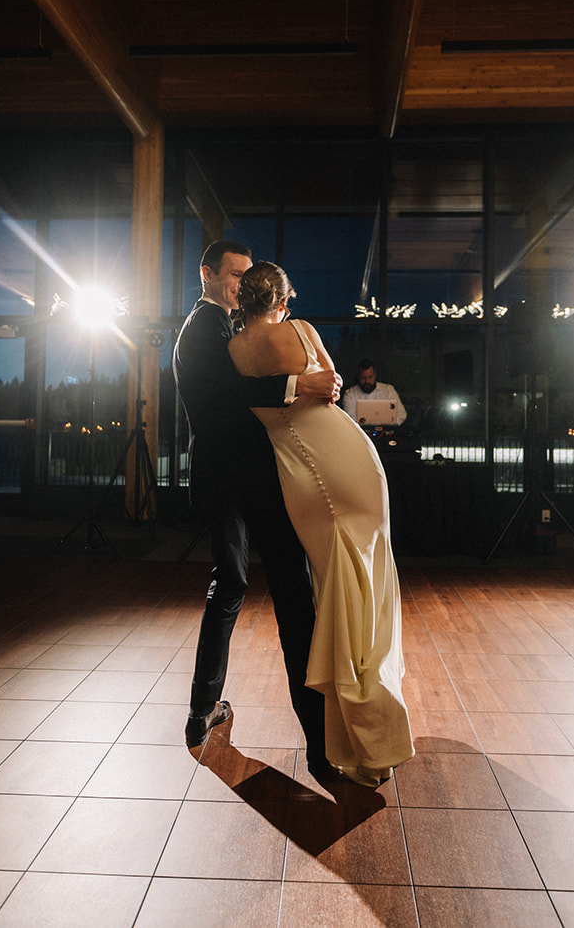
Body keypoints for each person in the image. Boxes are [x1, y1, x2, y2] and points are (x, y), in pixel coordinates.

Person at [228, 262, 414, 787]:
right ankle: (370, 738)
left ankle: (361, 739)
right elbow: (332, 388)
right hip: (350, 459)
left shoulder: (235, 350)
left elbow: (271, 397)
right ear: (284, 298)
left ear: (242, 300)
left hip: (306, 473)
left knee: (339, 592)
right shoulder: (303, 330)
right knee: (362, 592)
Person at [172, 240, 341, 780]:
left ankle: (311, 741)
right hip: (234, 481)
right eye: (235, 275)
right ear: (207, 274)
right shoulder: (201, 329)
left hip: (244, 480)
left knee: (254, 589)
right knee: (268, 592)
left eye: (248, 278)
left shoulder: (230, 327)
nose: (242, 285)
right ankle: (209, 713)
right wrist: (298, 383)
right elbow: (228, 394)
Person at [340, 359, 407, 427]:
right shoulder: (350, 394)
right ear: (358, 376)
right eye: (363, 378)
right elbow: (350, 420)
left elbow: (402, 414)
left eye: (370, 377)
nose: (367, 381)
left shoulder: (388, 390)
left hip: (386, 434)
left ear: (375, 375)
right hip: (360, 435)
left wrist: (389, 425)